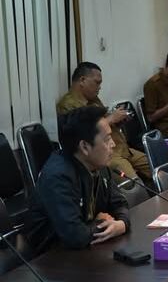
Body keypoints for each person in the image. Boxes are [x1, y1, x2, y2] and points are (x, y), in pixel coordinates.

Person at [23, 106, 130, 253]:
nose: (113, 144)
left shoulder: (99, 164)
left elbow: (120, 203)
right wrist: (100, 222)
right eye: (106, 139)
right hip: (52, 260)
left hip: (89, 250)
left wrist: (121, 224)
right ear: (85, 146)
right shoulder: (58, 176)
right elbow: (75, 235)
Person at [57, 62, 152, 184]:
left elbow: (106, 122)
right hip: (106, 155)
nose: (99, 87)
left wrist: (118, 121)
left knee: (157, 166)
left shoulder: (93, 99)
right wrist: (112, 119)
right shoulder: (68, 106)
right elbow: (83, 134)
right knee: (135, 186)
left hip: (122, 149)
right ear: (82, 80)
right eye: (97, 82)